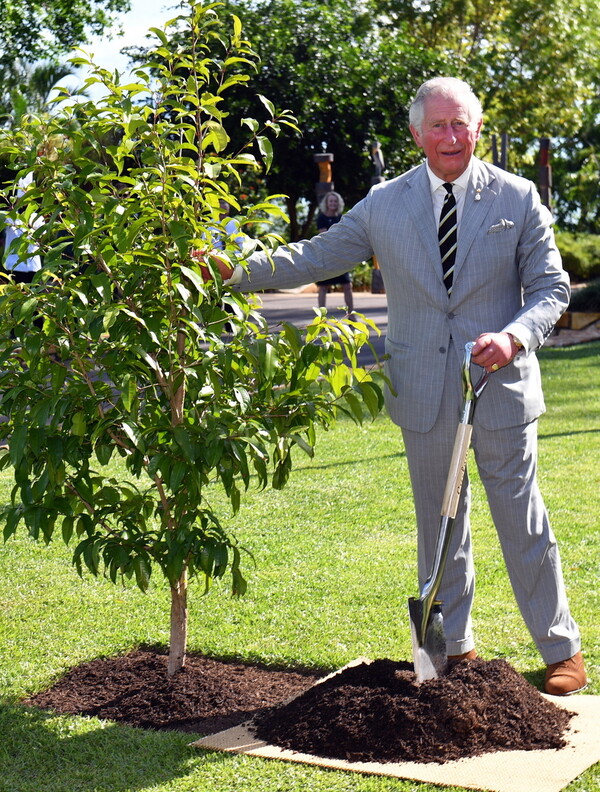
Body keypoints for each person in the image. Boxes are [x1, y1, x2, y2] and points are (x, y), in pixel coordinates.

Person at [209, 77, 586, 695]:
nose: (451, 136)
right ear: (416, 134)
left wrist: (514, 337)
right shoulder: (385, 203)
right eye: (437, 125)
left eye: (461, 123)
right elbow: (315, 256)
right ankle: (452, 648)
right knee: (439, 527)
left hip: (501, 389)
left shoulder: (517, 199)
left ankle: (560, 648)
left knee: (523, 521)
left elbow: (551, 290)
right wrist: (230, 271)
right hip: (421, 390)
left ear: (478, 128)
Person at [314, 191, 354, 314]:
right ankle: (321, 317)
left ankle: (351, 314)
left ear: (338, 203)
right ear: (327, 203)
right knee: (323, 287)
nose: (333, 203)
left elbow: (346, 234)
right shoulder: (321, 218)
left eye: (335, 201)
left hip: (340, 256)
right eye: (331, 201)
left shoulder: (341, 218)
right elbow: (325, 236)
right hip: (326, 256)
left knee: (347, 286)